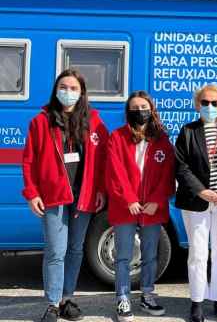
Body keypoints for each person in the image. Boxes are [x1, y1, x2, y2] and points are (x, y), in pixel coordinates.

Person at [22, 69, 108, 322]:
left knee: (75, 249)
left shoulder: (94, 122)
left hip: (84, 195)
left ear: (81, 92)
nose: (67, 92)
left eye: (73, 88)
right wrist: (31, 193)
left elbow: (102, 160)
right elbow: (28, 161)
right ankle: (52, 303)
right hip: (54, 195)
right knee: (55, 251)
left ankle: (67, 298)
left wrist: (101, 189)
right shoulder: (41, 121)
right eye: (63, 87)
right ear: (56, 89)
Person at [175, 84, 217, 322]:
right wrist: (201, 191)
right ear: (197, 105)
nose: (210, 107)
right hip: (196, 201)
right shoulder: (187, 131)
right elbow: (181, 167)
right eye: (205, 103)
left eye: (215, 103)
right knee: (197, 252)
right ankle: (196, 302)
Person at [105, 91, 175, 322]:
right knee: (123, 255)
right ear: (128, 112)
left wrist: (156, 200)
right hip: (125, 207)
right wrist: (129, 200)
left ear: (151, 109)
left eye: (143, 107)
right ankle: (122, 298)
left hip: (153, 208)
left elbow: (167, 174)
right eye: (134, 108)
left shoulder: (162, 139)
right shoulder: (117, 137)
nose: (140, 112)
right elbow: (115, 172)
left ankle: (147, 294)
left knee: (150, 255)